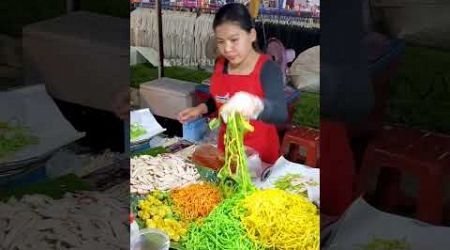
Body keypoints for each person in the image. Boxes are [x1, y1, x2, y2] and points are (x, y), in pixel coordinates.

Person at [177, 3, 288, 164]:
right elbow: (220, 99)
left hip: (260, 156)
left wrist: (254, 104)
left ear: (251, 35)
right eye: (221, 41)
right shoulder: (221, 65)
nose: (227, 48)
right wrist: (199, 109)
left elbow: (280, 113)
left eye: (234, 40)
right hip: (227, 151)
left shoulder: (267, 69)